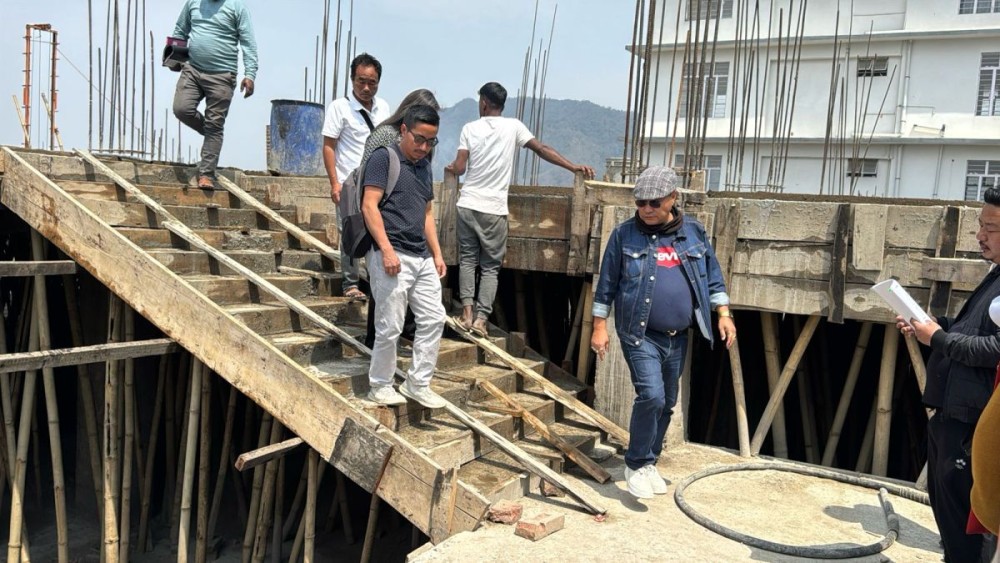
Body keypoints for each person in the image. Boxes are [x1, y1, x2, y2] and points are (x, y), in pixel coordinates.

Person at [590, 166, 735, 500]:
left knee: (667, 403)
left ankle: (649, 460)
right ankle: (637, 463)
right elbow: (607, 284)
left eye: (654, 201)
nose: (647, 209)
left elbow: (713, 277)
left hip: (678, 336)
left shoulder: (694, 233)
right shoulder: (625, 235)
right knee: (651, 395)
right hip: (639, 333)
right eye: (641, 202)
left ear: (673, 197)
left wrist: (723, 315)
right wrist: (599, 327)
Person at [898, 187, 1000, 562]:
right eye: (980, 225)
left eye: (991, 227)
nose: (980, 235)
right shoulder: (996, 275)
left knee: (969, 524)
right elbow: (975, 331)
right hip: (952, 413)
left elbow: (996, 350)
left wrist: (937, 338)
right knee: (947, 512)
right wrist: (934, 325)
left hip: (976, 422)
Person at [445, 82, 595, 336]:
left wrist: (452, 169)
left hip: (468, 205)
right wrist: (573, 167)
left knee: (468, 261)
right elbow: (542, 150)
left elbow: (460, 166)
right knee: (491, 266)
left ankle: (466, 315)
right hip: (493, 209)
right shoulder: (514, 126)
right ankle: (482, 321)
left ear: (483, 102)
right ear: (501, 105)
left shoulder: (469, 128)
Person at [361, 104, 447, 408]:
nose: (423, 147)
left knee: (435, 318)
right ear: (403, 131)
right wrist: (385, 250)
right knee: (391, 325)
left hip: (420, 255)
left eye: (430, 141)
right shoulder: (383, 158)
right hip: (392, 251)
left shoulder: (425, 166)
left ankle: (417, 383)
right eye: (419, 139)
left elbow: (426, 213)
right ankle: (380, 384)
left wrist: (437, 254)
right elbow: (369, 206)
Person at [323, 53, 390, 300]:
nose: (366, 87)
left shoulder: (383, 107)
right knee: (349, 232)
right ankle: (350, 284)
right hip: (349, 183)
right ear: (352, 79)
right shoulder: (339, 108)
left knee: (376, 230)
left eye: (372, 82)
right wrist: (334, 183)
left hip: (376, 182)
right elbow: (329, 146)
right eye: (361, 81)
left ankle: (376, 282)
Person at [171, 0, 257, 189]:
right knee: (181, 109)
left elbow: (248, 44)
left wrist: (250, 74)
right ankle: (211, 133)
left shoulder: (237, 8)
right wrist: (174, 58)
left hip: (222, 76)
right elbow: (180, 30)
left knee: (215, 123)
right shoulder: (193, 3)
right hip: (192, 70)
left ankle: (206, 174)